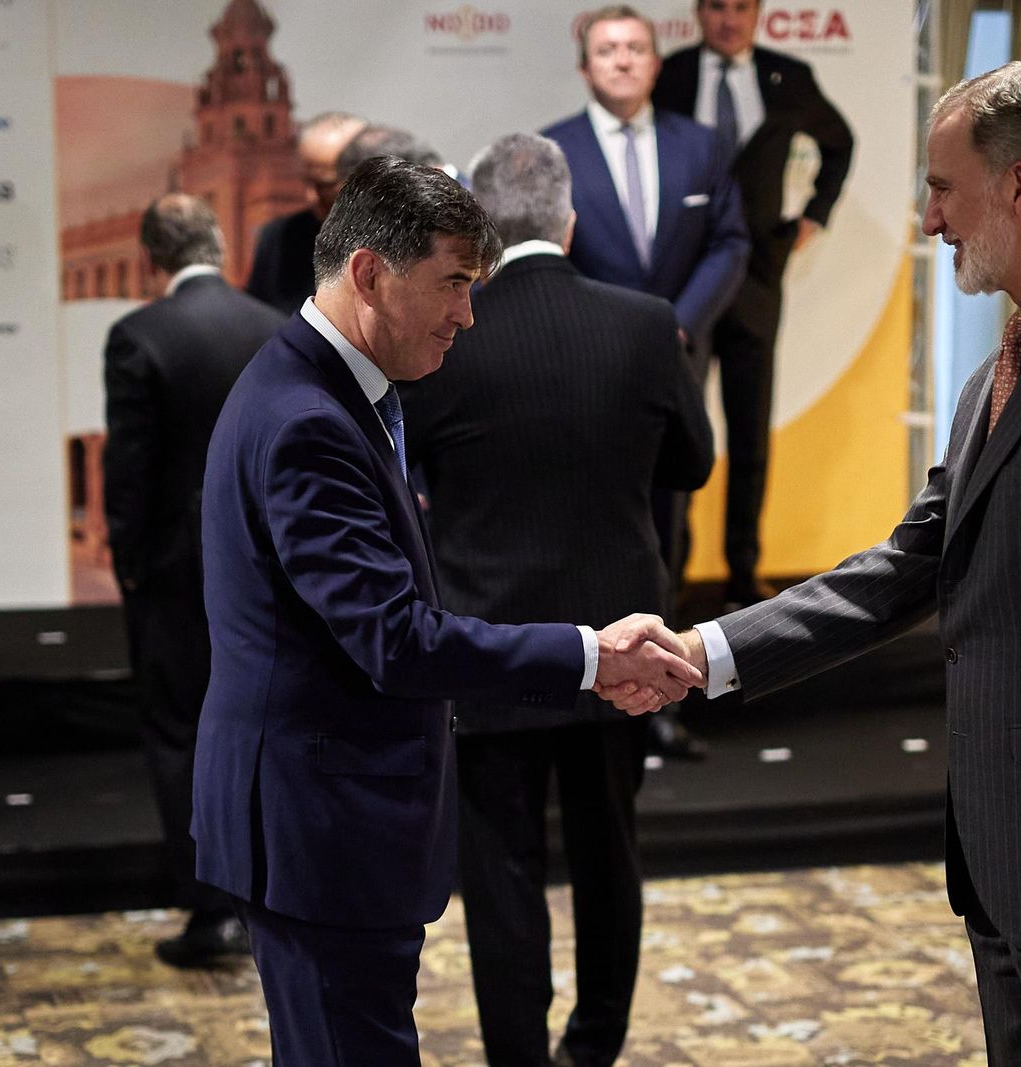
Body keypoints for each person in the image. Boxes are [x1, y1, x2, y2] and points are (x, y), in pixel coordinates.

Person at [658, 63, 1021, 1065]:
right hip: (1016, 865)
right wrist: (702, 649)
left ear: (1020, 184)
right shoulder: (1006, 363)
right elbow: (907, 566)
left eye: (942, 189)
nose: (928, 218)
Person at [192, 155, 701, 1065]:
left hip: (321, 821)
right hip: (322, 826)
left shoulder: (324, 388)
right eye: (455, 284)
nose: (469, 313)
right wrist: (589, 653)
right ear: (368, 274)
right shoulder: (310, 418)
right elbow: (393, 640)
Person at [399, 133, 713, 1067]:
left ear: (481, 233)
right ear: (573, 220)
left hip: (490, 648)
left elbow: (409, 477)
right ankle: (595, 1047)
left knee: (499, 873)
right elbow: (692, 462)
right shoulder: (644, 320)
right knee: (610, 852)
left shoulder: (447, 335)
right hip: (625, 645)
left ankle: (518, 1060)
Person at [543, 3, 747, 759]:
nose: (623, 60)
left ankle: (661, 697)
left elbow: (731, 242)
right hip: (584, 379)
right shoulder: (553, 152)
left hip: (672, 370)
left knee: (668, 530)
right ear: (586, 65)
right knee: (592, 531)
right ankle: (595, 688)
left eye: (635, 48)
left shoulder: (702, 146)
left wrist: (677, 323)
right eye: (608, 49)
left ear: (658, 62)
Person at [101, 194, 284, 966]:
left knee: (181, 733)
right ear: (219, 243)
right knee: (265, 733)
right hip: (270, 568)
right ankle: (267, 899)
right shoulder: (274, 326)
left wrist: (132, 567)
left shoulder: (138, 335)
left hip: (177, 575)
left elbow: (130, 472)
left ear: (153, 258)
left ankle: (209, 908)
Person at [653, 0, 854, 609]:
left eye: (741, 7)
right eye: (717, 7)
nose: (728, 19)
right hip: (685, 278)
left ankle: (744, 569)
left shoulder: (788, 76)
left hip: (759, 278)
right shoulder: (672, 73)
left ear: (758, 13)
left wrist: (812, 217)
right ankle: (671, 567)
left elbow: (839, 141)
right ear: (698, 13)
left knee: (749, 432)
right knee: (680, 429)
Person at [245, 110, 366, 315]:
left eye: (324, 185)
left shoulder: (402, 238)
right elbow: (259, 320)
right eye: (306, 181)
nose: (310, 197)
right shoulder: (278, 238)